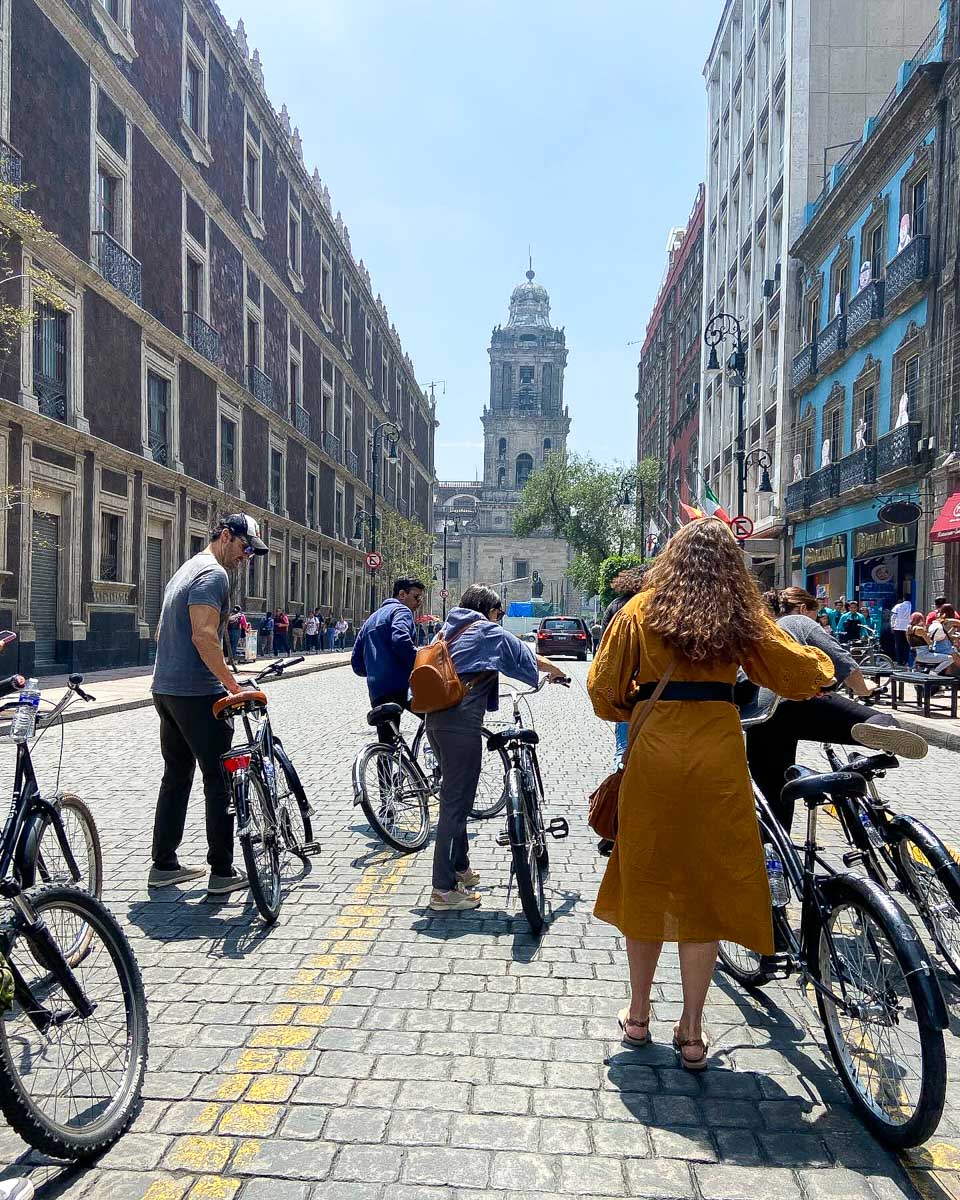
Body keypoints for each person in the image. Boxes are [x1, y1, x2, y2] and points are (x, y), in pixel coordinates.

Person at [587, 519, 834, 1071]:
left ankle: (638, 1016)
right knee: (704, 885)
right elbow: (799, 675)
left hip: (655, 755)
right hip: (717, 756)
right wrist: (823, 665)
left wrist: (640, 705)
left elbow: (603, 691)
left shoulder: (640, 610)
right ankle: (693, 1032)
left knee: (647, 875)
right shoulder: (738, 617)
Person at [426, 585, 568, 912]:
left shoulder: (447, 630)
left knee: (455, 798)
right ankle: (442, 890)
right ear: (487, 609)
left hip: (435, 721)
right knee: (455, 806)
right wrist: (558, 671)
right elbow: (525, 656)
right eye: (498, 612)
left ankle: (460, 869)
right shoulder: (485, 631)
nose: (499, 618)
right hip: (461, 725)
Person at [149, 514, 268, 896]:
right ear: (226, 536)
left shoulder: (186, 569)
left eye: (252, 552)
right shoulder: (214, 575)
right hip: (198, 693)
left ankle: (163, 864)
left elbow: (162, 632)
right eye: (245, 547)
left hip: (166, 689)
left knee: (176, 775)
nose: (246, 557)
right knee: (221, 778)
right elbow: (203, 635)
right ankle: (222, 871)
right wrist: (232, 686)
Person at [746, 587, 926, 832]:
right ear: (803, 608)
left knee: (774, 794)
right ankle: (882, 731)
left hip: (759, 715)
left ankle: (776, 852)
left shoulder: (758, 630)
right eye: (816, 614)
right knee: (877, 717)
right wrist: (865, 689)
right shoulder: (798, 621)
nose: (818, 620)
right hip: (796, 701)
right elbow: (843, 662)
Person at [351, 577, 425, 742]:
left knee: (387, 744)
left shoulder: (371, 619)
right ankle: (438, 755)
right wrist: (420, 663)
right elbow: (400, 639)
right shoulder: (402, 611)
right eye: (416, 597)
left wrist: (376, 671)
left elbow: (356, 663)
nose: (419, 602)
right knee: (440, 719)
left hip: (377, 691)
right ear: (402, 594)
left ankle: (386, 757)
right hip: (401, 687)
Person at [599, 566, 649, 770]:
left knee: (623, 749)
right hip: (654, 688)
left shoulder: (616, 606)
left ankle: (619, 780)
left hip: (626, 688)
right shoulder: (661, 606)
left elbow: (604, 651)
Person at [890, 594, 913, 665]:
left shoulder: (898, 606)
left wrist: (892, 626)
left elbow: (893, 616)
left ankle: (899, 661)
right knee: (907, 645)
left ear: (903, 598)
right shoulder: (912, 606)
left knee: (899, 645)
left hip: (898, 627)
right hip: (907, 628)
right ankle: (906, 660)